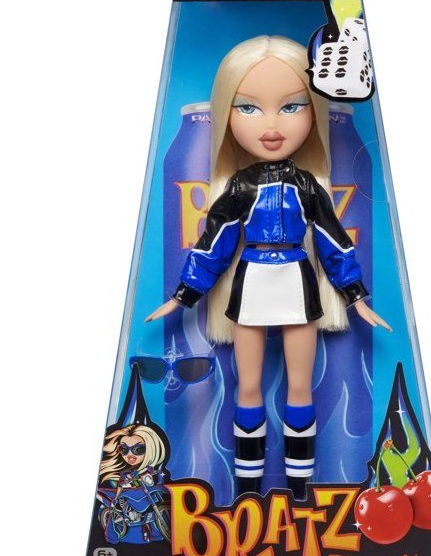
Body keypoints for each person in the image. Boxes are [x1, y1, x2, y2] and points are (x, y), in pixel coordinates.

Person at [146, 35, 390, 499]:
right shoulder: (239, 188)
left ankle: (299, 490)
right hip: (252, 282)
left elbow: (333, 241)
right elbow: (213, 244)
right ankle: (247, 489)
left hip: (297, 282)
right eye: (249, 108)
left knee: (300, 388)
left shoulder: (307, 187)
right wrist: (183, 295)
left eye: (293, 106)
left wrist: (356, 296)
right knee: (248, 387)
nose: (272, 125)